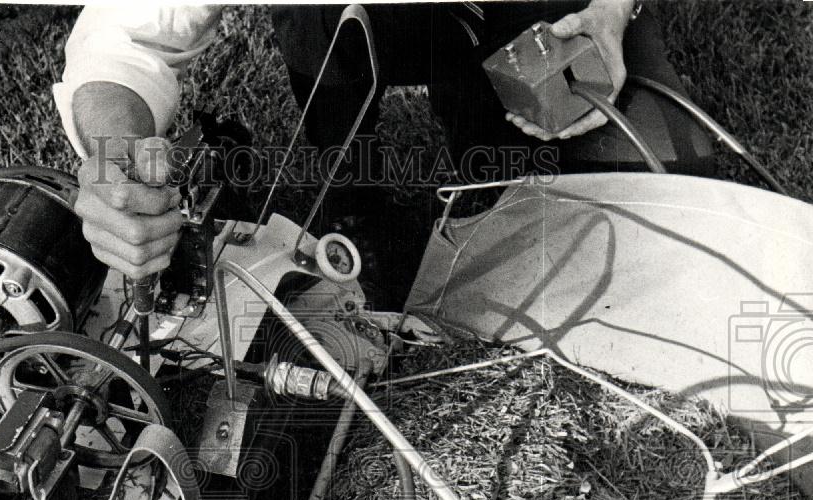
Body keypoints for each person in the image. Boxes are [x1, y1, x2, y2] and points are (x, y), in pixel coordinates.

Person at [55, 2, 714, 288]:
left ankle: (494, 192)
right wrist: (118, 154)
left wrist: (608, 12)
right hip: (357, 17)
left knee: (658, 205)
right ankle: (355, 209)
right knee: (323, 20)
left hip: (525, 14)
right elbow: (123, 36)